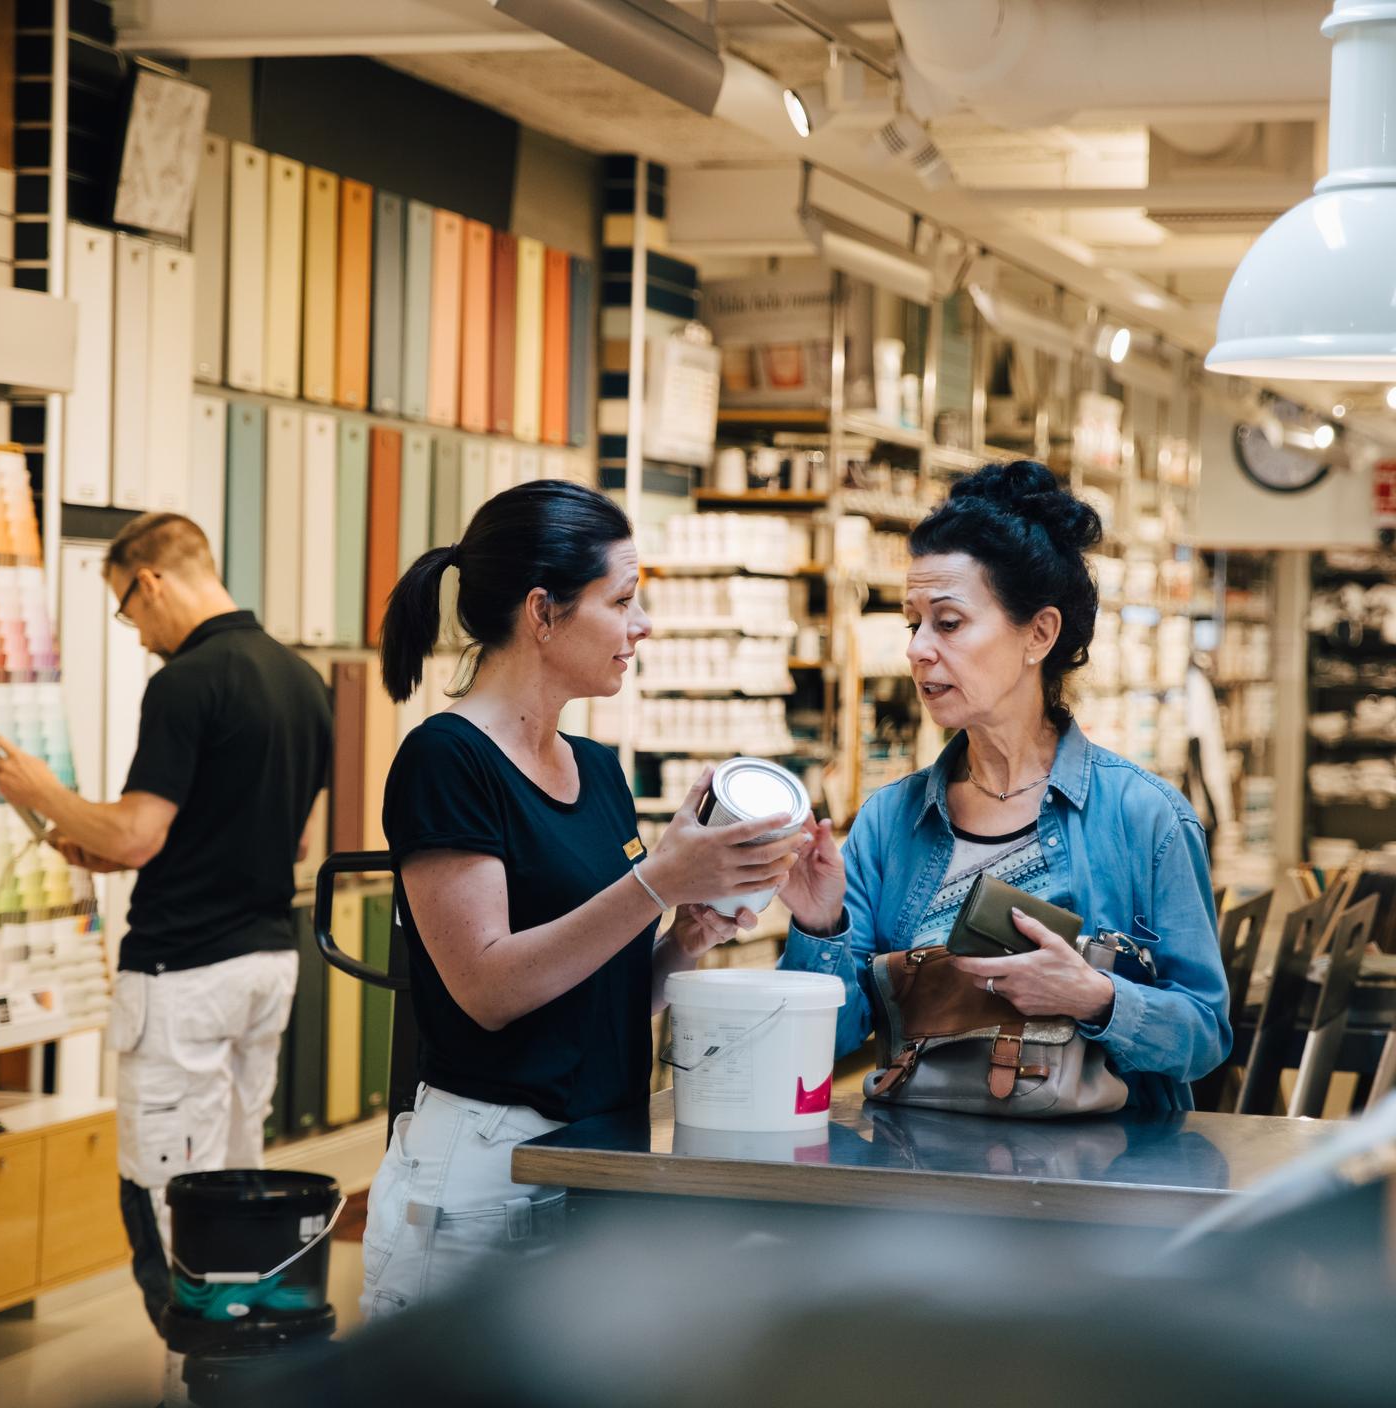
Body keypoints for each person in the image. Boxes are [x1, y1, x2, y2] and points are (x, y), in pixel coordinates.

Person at [362, 479, 804, 1318]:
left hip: (603, 1161)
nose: (643, 627)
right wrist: (656, 882)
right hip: (488, 1176)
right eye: (624, 600)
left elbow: (600, 1001)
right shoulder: (447, 762)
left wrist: (685, 935)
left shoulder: (598, 771)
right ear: (544, 611)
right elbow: (488, 989)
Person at [778, 461, 1230, 1112]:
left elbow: (1204, 1037)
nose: (917, 649)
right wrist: (819, 924)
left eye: (949, 622)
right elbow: (820, 1051)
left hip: (1097, 1182)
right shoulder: (888, 823)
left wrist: (1095, 996)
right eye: (913, 623)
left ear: (1039, 634)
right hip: (917, 1177)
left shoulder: (1145, 819)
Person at [0, 512, 332, 1329]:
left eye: (127, 609)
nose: (137, 635)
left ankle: (193, 1377)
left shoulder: (186, 680)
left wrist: (42, 794)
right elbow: (285, 834)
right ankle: (246, 1374)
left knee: (169, 1196)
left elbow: (141, 832)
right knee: (239, 1185)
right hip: (265, 965)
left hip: (184, 978)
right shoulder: (300, 679)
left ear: (151, 582)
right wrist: (105, 848)